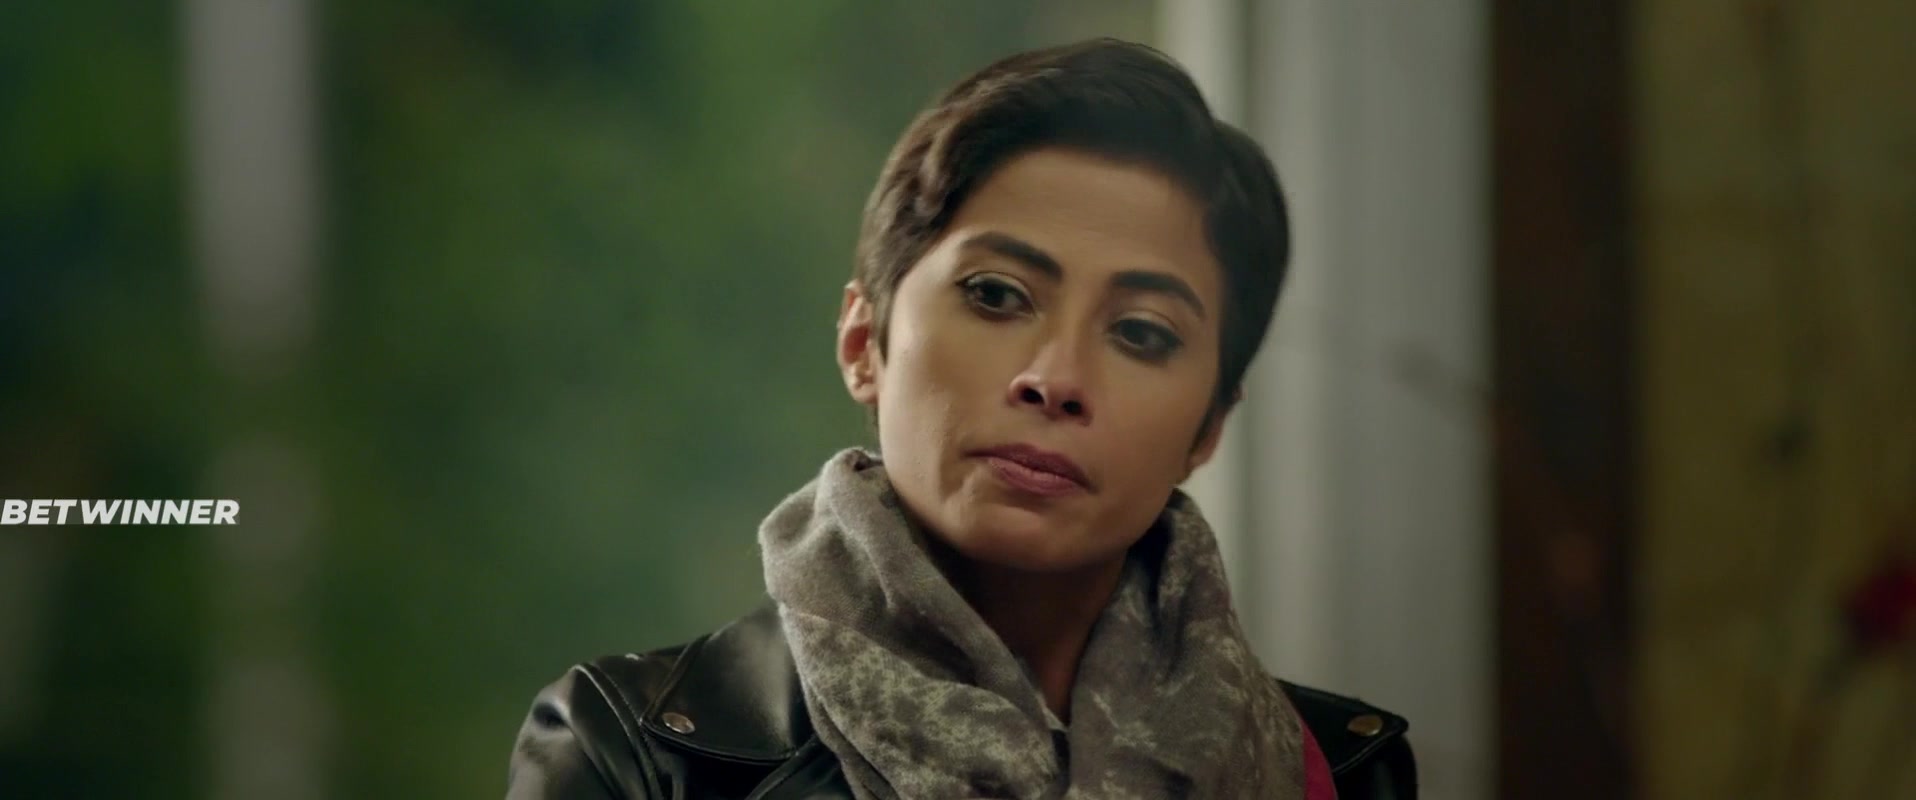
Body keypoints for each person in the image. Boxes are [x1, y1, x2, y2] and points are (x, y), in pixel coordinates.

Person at [506, 38, 1415, 799]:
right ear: (864, 342)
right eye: (995, 294)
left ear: (1208, 427)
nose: (1055, 381)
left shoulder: (1340, 773)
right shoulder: (636, 759)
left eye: (1141, 333)